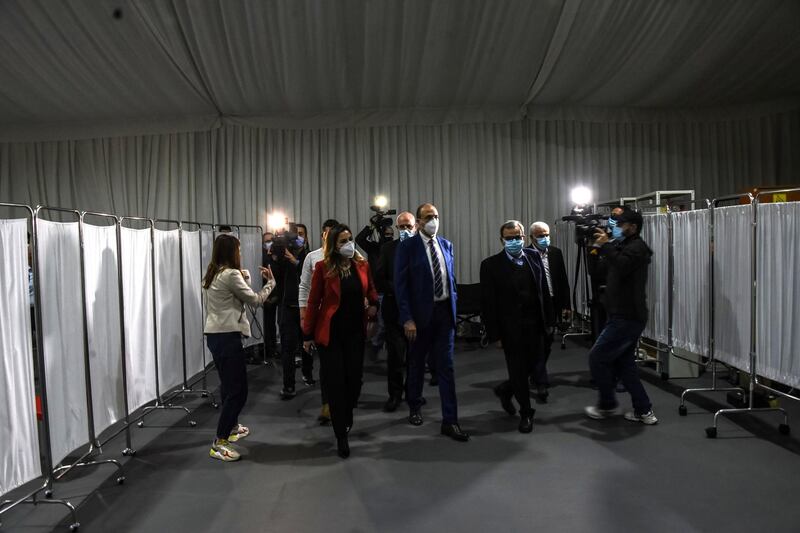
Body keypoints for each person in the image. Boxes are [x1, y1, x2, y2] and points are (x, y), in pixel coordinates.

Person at [302, 224, 379, 458]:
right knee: (335, 383)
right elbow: (313, 302)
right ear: (333, 246)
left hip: (355, 332)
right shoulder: (323, 267)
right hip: (331, 334)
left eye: (350, 239)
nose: (348, 244)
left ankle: (348, 412)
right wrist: (307, 334)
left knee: (354, 381)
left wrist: (374, 304)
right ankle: (341, 436)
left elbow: (371, 291)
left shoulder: (362, 265)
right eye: (342, 241)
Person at [395, 203, 469, 442]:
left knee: (446, 367)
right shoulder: (407, 247)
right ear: (418, 221)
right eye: (428, 217)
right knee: (416, 364)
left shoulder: (446, 244)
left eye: (436, 216)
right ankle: (414, 405)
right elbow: (401, 286)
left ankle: (451, 420)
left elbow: (451, 279)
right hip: (419, 317)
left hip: (444, 314)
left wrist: (454, 306)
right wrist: (407, 318)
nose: (433, 221)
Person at [202, 234, 276, 461]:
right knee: (238, 391)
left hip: (216, 335)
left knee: (228, 386)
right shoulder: (231, 274)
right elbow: (254, 300)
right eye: (239, 250)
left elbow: (233, 297)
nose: (241, 253)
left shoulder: (212, 273)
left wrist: (244, 278)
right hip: (227, 337)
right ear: (232, 252)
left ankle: (232, 427)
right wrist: (271, 283)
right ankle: (219, 441)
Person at [584, 209, 658, 425]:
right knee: (624, 364)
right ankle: (644, 411)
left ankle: (607, 404)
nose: (615, 227)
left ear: (632, 227)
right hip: (620, 314)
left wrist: (606, 245)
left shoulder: (637, 248)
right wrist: (595, 248)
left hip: (628, 316)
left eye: (620, 223)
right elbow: (597, 272)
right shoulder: (620, 246)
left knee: (597, 357)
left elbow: (623, 265)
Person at [480, 221, 553, 433]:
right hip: (510, 328)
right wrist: (495, 334)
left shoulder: (533, 257)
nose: (514, 241)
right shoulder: (491, 265)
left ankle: (505, 389)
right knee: (518, 370)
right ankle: (526, 413)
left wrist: (550, 320)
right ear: (502, 240)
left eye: (517, 237)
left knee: (534, 366)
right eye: (509, 238)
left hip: (536, 324)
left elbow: (543, 291)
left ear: (524, 237)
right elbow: (488, 303)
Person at [299, 218, 340, 423]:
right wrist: (303, 314)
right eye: (326, 233)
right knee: (326, 364)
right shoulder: (313, 258)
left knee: (344, 365)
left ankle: (341, 400)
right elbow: (304, 288)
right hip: (322, 318)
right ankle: (327, 404)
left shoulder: (350, 256)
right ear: (322, 234)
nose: (329, 236)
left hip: (343, 318)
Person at [374, 211, 416, 412]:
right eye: (402, 227)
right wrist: (400, 288)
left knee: (415, 358)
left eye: (409, 226)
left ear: (415, 227)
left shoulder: (422, 248)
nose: (406, 230)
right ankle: (395, 395)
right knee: (396, 358)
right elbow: (379, 278)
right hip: (394, 309)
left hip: (417, 312)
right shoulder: (388, 248)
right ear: (397, 229)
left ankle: (413, 394)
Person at [528, 221, 570, 402]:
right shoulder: (526, 255)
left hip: (553, 301)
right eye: (540, 235)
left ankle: (535, 372)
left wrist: (567, 305)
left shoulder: (555, 253)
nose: (544, 238)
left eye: (546, 234)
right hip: (535, 305)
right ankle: (541, 382)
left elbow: (562, 280)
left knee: (548, 341)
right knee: (538, 342)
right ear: (531, 237)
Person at [272, 227, 309, 399]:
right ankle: (288, 385)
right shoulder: (282, 257)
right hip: (288, 307)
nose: (297, 239)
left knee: (308, 345)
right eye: (295, 236)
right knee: (287, 348)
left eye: (300, 235)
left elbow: (311, 276)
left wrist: (296, 261)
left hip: (307, 308)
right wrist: (279, 250)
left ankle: (308, 375)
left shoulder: (311, 256)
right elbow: (275, 273)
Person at [356, 222, 394, 360]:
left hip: (392, 290)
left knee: (389, 324)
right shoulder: (374, 248)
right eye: (386, 234)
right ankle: (375, 345)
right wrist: (372, 226)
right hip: (377, 291)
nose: (389, 237)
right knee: (383, 324)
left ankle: (379, 347)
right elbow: (359, 239)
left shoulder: (394, 248)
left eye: (391, 234)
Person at [261, 231, 279, 359]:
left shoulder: (279, 254)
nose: (269, 243)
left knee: (281, 322)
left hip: (280, 293)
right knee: (269, 324)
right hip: (266, 295)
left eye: (271, 240)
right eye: (267, 241)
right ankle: (270, 349)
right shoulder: (260, 256)